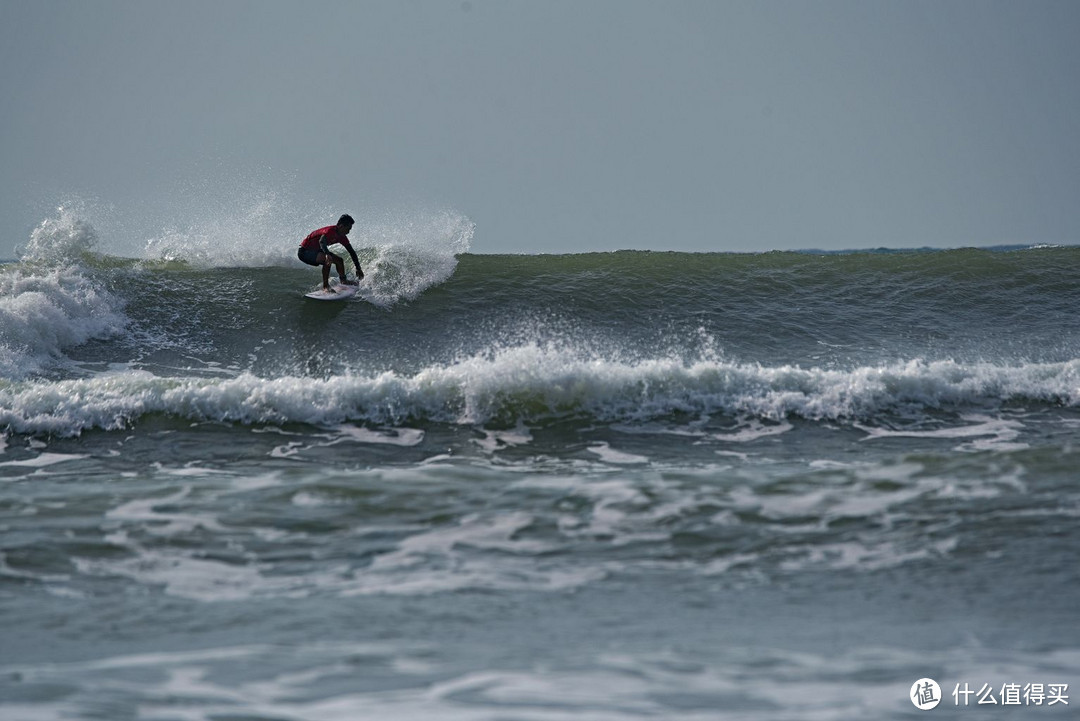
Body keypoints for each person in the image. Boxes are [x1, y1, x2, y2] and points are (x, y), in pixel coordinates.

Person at [297, 214, 365, 292]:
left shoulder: (342, 237)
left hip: (316, 251)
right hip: (305, 252)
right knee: (328, 260)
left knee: (339, 260)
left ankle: (343, 281)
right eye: (348, 229)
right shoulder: (329, 231)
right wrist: (327, 254)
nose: (348, 232)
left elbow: (351, 251)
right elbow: (321, 241)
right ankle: (325, 286)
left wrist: (358, 268)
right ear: (341, 226)